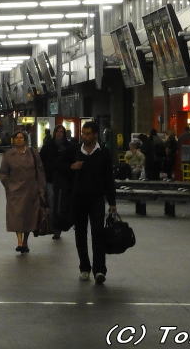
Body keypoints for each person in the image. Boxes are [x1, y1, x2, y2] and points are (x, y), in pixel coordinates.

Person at [69, 121, 117, 285]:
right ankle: (84, 267)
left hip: (96, 198)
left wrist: (112, 201)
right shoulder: (76, 150)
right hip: (78, 198)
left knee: (98, 233)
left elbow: (109, 178)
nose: (85, 136)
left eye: (88, 134)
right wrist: (71, 167)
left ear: (95, 135)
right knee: (80, 234)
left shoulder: (103, 152)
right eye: (83, 133)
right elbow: (60, 166)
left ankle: (99, 270)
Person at [0, 130, 46, 254]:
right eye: (17, 138)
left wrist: (41, 188)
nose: (19, 140)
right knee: (16, 216)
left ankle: (25, 241)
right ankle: (19, 241)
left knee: (28, 217)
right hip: (15, 191)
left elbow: (40, 170)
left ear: (25, 140)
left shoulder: (33, 153)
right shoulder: (8, 155)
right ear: (13, 140)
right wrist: (8, 186)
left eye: (21, 138)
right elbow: (3, 173)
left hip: (31, 190)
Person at [39, 124, 75, 239]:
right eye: (58, 132)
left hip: (64, 181)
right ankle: (54, 227)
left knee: (61, 205)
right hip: (50, 179)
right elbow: (41, 161)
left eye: (61, 132)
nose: (59, 134)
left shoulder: (68, 147)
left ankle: (58, 227)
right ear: (54, 133)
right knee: (52, 203)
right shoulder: (48, 146)